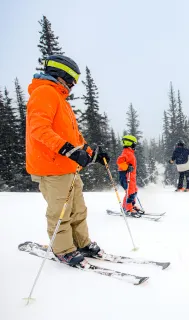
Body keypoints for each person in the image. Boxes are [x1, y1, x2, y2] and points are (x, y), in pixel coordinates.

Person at [26, 55, 110, 267]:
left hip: (67, 167)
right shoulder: (44, 93)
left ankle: (81, 243)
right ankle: (63, 249)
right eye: (72, 79)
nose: (73, 85)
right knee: (61, 212)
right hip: (52, 167)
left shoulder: (60, 100)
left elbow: (75, 138)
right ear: (61, 75)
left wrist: (92, 152)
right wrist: (68, 151)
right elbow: (39, 129)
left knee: (78, 210)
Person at [117, 135, 144, 217]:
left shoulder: (130, 152)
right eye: (134, 144)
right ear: (130, 143)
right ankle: (127, 208)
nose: (135, 146)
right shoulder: (127, 152)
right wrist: (127, 167)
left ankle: (131, 205)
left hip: (131, 176)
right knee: (130, 192)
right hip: (126, 176)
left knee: (134, 190)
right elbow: (119, 161)